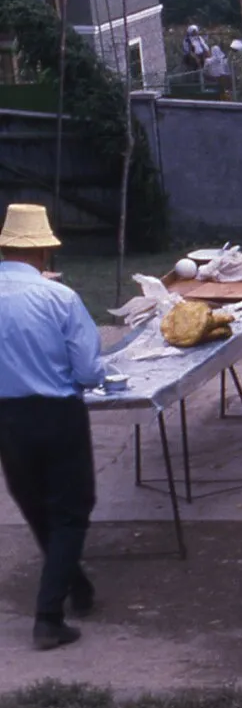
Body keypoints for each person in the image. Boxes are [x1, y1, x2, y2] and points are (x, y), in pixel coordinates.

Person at [0, 204, 104, 651]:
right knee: (71, 508)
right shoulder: (59, 298)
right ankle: (48, 616)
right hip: (57, 414)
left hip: (7, 417)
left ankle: (75, 585)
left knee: (36, 505)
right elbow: (89, 371)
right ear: (43, 252)